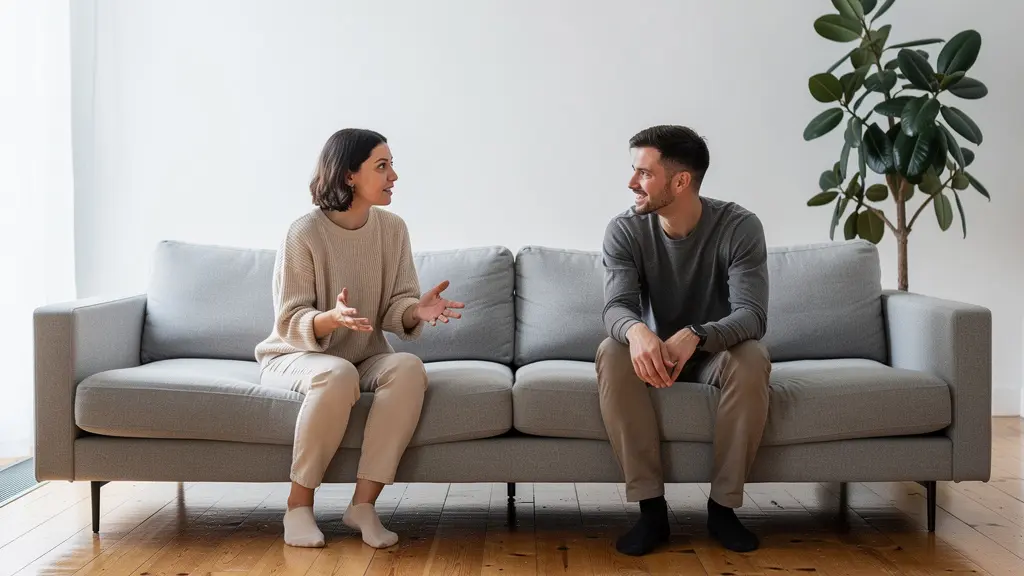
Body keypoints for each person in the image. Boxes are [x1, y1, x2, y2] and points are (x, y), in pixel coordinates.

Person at [255, 128, 464, 549]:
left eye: (391, 165)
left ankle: (363, 505)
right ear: (349, 175)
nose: (394, 176)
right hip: (295, 354)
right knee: (336, 375)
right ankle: (298, 507)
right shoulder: (303, 233)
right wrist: (329, 319)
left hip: (364, 354)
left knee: (407, 368)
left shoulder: (393, 229)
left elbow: (396, 305)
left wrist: (415, 311)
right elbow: (290, 320)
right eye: (382, 166)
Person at [597, 125, 771, 555]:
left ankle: (723, 509)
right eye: (634, 170)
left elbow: (752, 315)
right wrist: (637, 331)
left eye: (643, 173)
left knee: (752, 357)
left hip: (715, 354)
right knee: (611, 351)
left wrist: (698, 335)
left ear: (680, 182)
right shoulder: (625, 230)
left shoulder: (740, 227)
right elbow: (615, 307)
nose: (631, 182)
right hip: (653, 356)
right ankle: (651, 512)